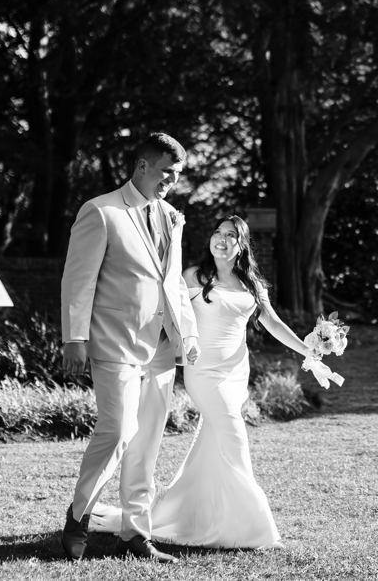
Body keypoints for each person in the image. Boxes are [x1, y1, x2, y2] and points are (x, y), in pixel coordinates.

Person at [90, 215, 312, 549]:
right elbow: (167, 314)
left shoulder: (252, 283)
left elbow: (275, 325)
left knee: (215, 443)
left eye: (231, 235)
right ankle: (258, 530)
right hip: (204, 372)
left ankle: (194, 515)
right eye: (217, 233)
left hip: (236, 371)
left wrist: (308, 349)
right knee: (234, 436)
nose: (221, 240)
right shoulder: (193, 276)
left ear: (242, 245)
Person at [59, 133, 200, 564]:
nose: (170, 182)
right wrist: (73, 338)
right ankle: (79, 515)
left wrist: (188, 336)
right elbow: (77, 280)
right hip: (114, 342)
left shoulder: (172, 216)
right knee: (118, 431)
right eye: (165, 173)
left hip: (160, 348)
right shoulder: (100, 211)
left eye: (176, 176)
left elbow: (173, 282)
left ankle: (134, 534)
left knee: (147, 443)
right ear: (142, 166)